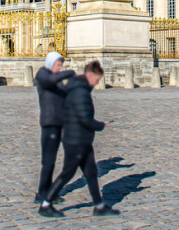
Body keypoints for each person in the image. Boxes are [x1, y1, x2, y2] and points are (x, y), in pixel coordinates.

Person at [39, 61, 119, 218]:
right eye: (96, 80)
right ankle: (45, 204)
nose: (96, 83)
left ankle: (99, 206)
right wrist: (101, 125)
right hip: (75, 140)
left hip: (82, 139)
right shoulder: (80, 91)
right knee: (67, 173)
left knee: (91, 173)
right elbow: (85, 118)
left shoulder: (78, 88)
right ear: (90, 75)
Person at [34, 51, 75, 203]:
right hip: (49, 122)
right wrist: (68, 73)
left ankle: (47, 191)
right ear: (50, 63)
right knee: (48, 160)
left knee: (52, 160)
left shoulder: (55, 79)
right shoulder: (43, 74)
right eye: (58, 64)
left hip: (59, 122)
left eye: (61, 65)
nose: (59, 67)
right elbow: (49, 82)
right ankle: (41, 194)